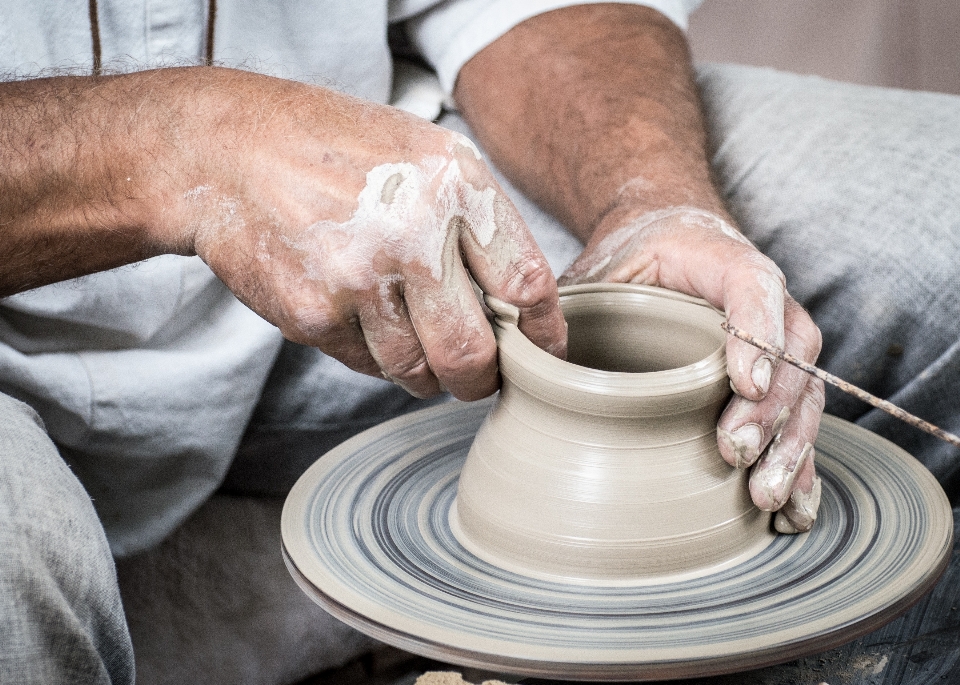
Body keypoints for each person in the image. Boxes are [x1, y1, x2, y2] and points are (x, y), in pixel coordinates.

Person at [1, 1, 957, 683]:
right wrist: (174, 145)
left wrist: (650, 196)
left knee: (937, 231)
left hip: (372, 205)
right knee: (18, 559)